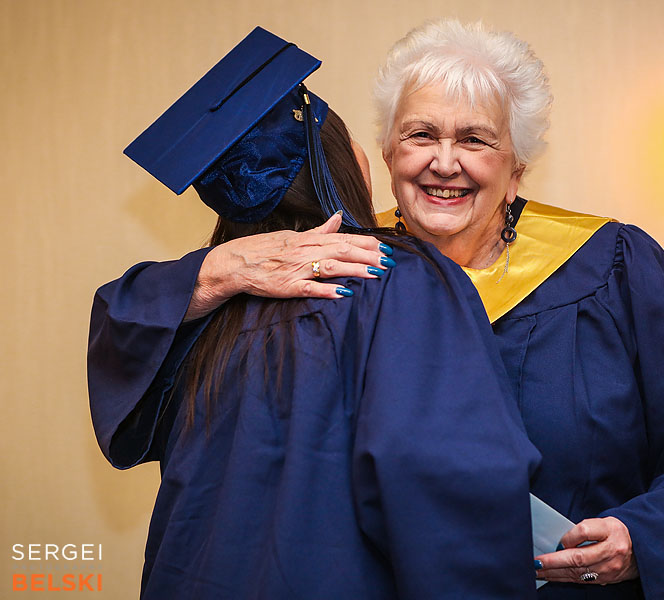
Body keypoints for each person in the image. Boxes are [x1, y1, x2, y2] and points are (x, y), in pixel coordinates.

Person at [90, 20, 664, 599]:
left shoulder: (608, 268)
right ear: (386, 153)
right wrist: (213, 269)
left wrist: (646, 537)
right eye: (421, 135)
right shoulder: (331, 274)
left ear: (518, 168)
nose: (443, 162)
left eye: (475, 140)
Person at [88, 27, 540, 599]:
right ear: (347, 163)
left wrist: (209, 272)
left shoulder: (200, 318)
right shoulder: (391, 280)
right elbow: (450, 487)